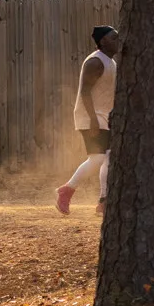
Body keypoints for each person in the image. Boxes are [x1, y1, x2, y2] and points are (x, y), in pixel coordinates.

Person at [55, 25, 121, 214]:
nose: (118, 41)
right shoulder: (95, 62)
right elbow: (85, 91)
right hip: (90, 116)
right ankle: (66, 190)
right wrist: (92, 119)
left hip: (104, 116)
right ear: (103, 41)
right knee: (98, 158)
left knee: (108, 157)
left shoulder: (110, 62)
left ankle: (104, 201)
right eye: (114, 38)